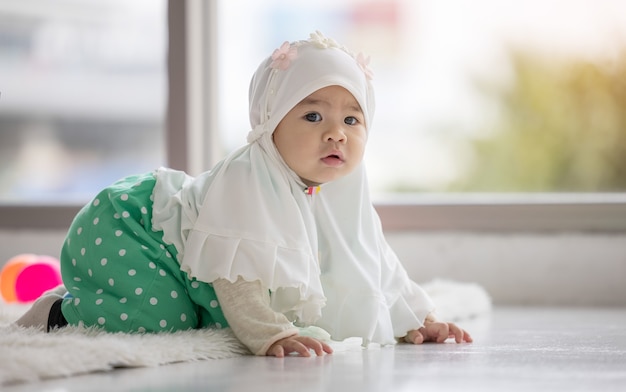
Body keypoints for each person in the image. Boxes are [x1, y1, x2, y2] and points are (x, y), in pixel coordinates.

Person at [16, 31, 472, 357]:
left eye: (352, 120)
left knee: (185, 316)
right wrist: (269, 333)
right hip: (134, 231)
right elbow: (238, 279)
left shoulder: (341, 195)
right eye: (313, 117)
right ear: (271, 122)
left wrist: (420, 318)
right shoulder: (247, 178)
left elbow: (375, 263)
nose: (337, 134)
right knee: (160, 321)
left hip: (150, 239)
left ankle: (90, 294)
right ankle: (59, 310)